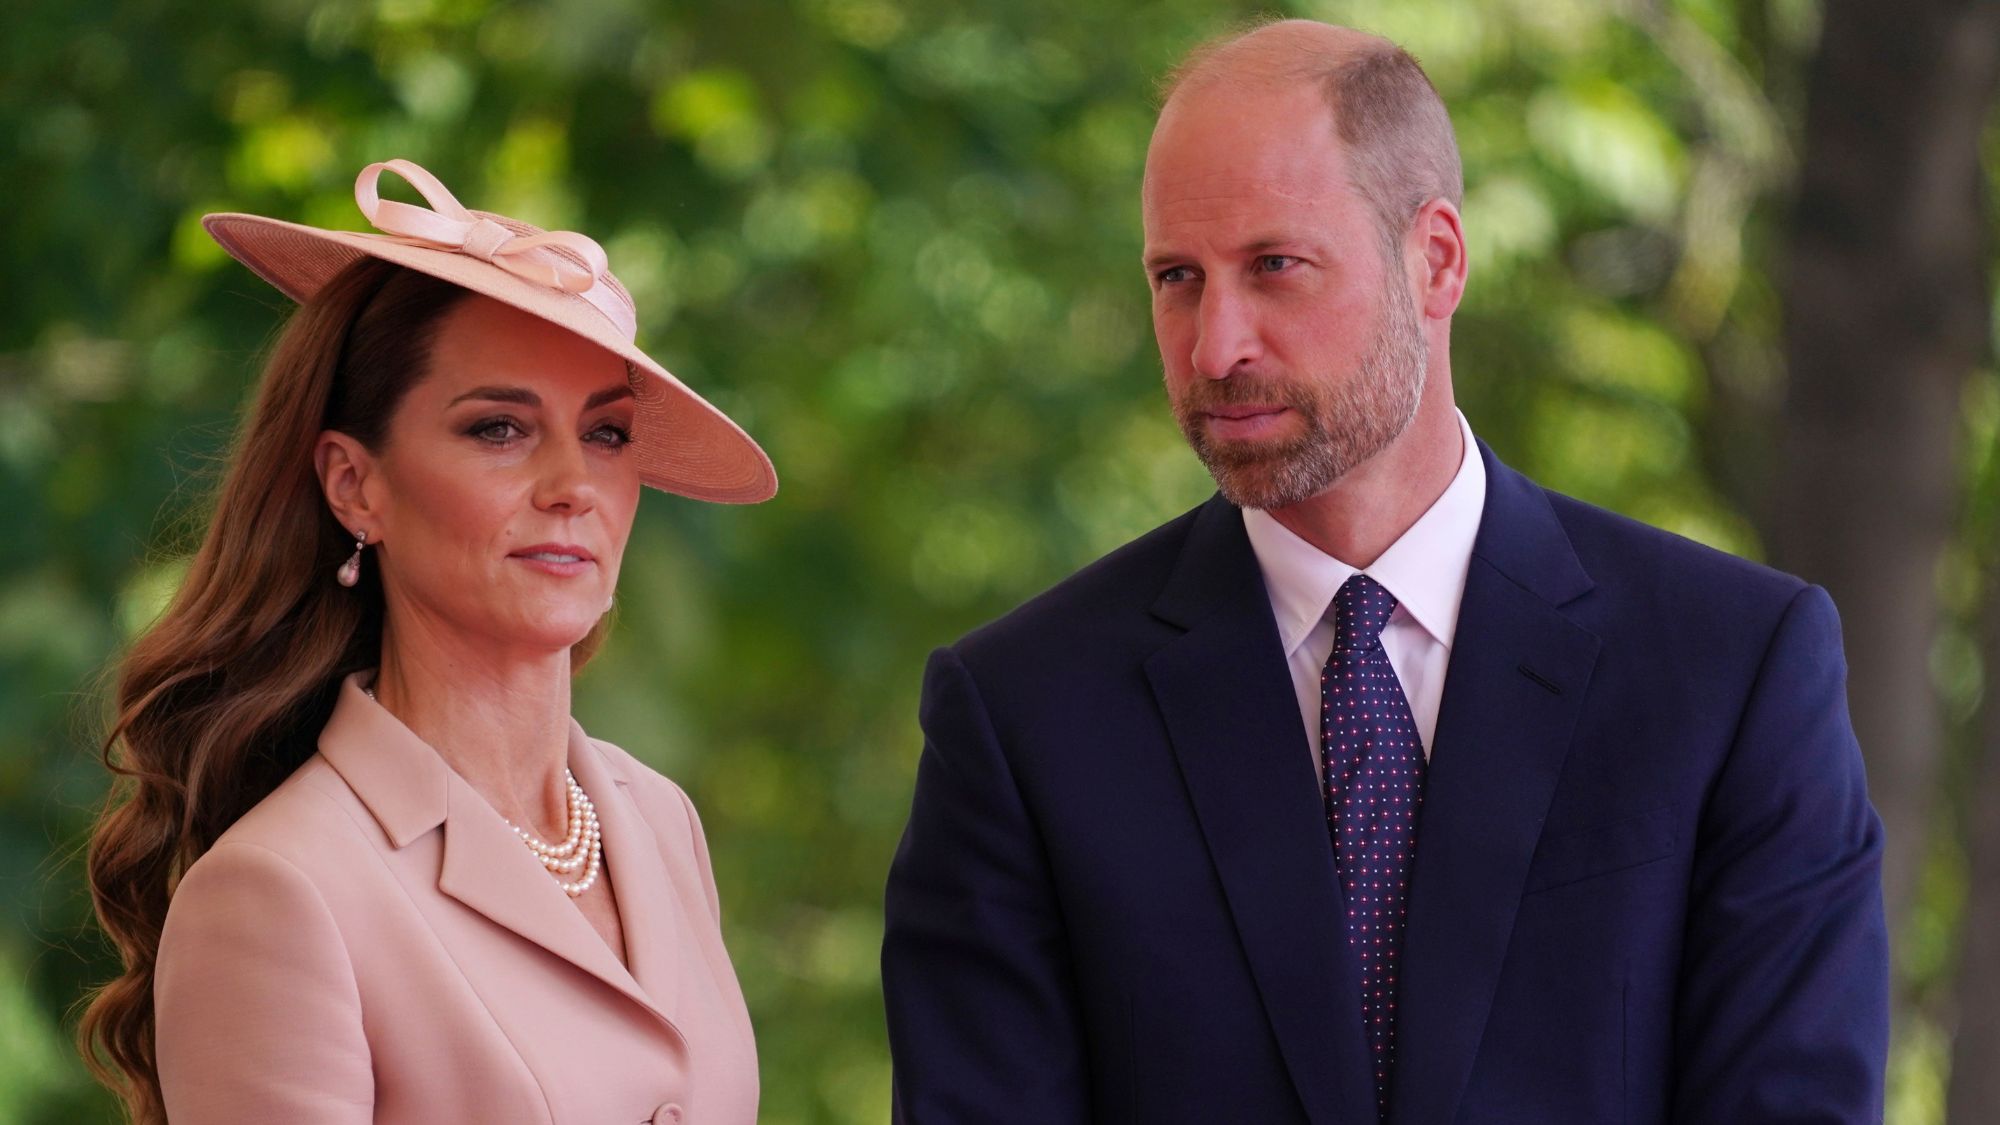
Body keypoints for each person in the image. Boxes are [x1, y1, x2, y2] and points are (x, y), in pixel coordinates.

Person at [882, 19, 1888, 1124]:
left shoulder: (1729, 669)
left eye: (1274, 266)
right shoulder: (1023, 715)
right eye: (1177, 277)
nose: (1216, 346)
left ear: (1437, 261)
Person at [79, 158, 772, 1124]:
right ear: (354, 484)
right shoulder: (280, 887)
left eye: (608, 434)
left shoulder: (659, 819)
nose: (574, 485)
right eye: (500, 428)